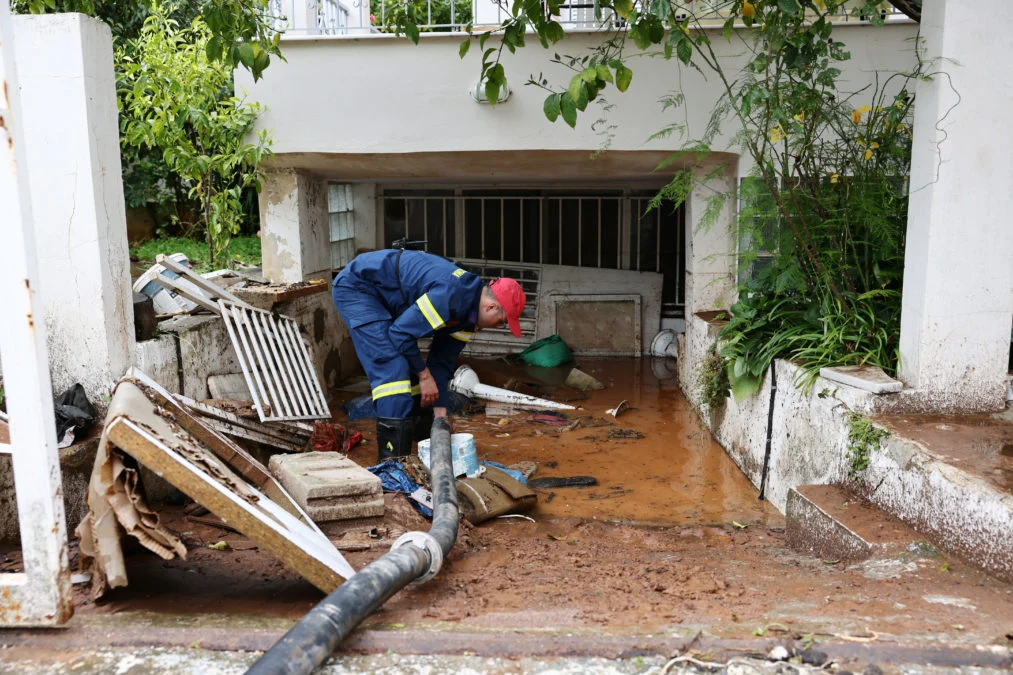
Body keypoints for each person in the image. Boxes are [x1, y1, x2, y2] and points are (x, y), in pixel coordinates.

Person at [332, 248, 526, 462]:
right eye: (501, 322)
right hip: (359, 288)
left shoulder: (468, 317)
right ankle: (392, 465)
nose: (498, 327)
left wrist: (441, 414)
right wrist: (424, 375)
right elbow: (400, 333)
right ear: (491, 307)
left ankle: (420, 435)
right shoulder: (451, 295)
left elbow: (442, 362)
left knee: (416, 376)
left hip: (388, 300)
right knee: (393, 371)